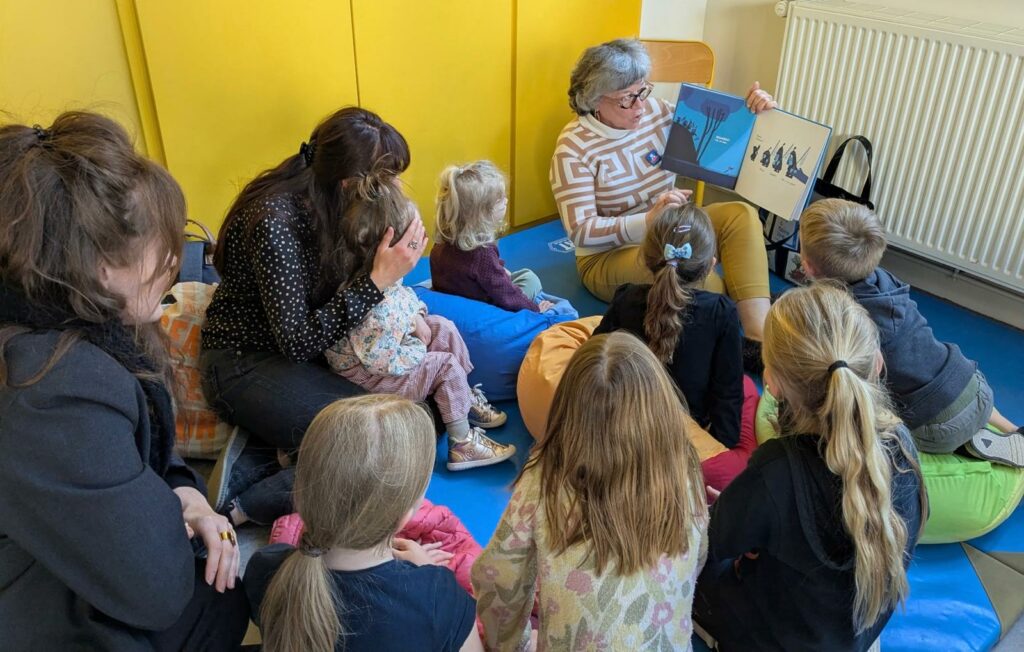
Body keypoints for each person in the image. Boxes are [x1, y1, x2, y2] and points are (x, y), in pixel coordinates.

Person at [0, 112, 248, 650]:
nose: (175, 260)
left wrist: (188, 495)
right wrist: (175, 510)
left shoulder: (66, 322)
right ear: (101, 266)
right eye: (162, 245)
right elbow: (156, 590)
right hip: (40, 616)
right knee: (219, 597)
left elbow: (148, 450)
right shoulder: (55, 389)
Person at [200, 107, 426, 526]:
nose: (395, 188)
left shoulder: (333, 203)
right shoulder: (276, 220)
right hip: (244, 362)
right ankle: (242, 501)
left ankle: (274, 450)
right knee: (377, 444)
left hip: (312, 353)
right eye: (387, 179)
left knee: (415, 420)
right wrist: (378, 281)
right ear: (349, 183)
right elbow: (297, 342)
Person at [693, 283, 926, 651]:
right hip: (855, 633)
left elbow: (711, 544)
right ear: (877, 364)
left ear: (771, 384)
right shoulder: (902, 443)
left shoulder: (775, 470)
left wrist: (739, 515)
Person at [472, 331, 707, 650]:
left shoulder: (545, 479)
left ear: (567, 410)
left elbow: (498, 577)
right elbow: (697, 557)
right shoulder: (686, 469)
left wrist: (512, 644)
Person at [550, 38, 775, 368]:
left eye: (643, 91)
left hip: (671, 229)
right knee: (700, 276)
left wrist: (754, 113)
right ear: (594, 100)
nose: (640, 106)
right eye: (627, 99)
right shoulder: (573, 149)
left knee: (740, 214)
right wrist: (647, 221)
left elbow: (719, 146)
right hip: (607, 255)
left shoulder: (657, 112)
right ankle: (733, 316)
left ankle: (759, 342)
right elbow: (581, 230)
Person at [244, 395, 482, 652]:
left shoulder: (263, 567)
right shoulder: (439, 598)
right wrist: (427, 574)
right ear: (404, 516)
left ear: (300, 495)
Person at [799, 198, 1023, 466]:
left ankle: (966, 446)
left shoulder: (841, 316)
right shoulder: (883, 279)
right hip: (974, 387)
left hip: (936, 427)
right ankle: (1010, 428)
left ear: (808, 266)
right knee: (947, 378)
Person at [324, 174, 516, 471]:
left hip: (386, 349)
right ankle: (462, 443)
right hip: (371, 379)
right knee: (445, 366)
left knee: (444, 326)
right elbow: (382, 361)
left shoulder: (375, 272)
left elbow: (402, 297)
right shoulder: (376, 312)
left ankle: (462, 397)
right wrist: (419, 344)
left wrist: (417, 319)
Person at [594, 203, 744, 447]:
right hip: (683, 437)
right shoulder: (722, 313)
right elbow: (728, 396)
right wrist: (720, 449)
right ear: (710, 266)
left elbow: (594, 361)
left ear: (646, 258)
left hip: (624, 427)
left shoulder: (626, 298)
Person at [430, 160, 554, 312]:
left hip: (457, 298)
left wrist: (498, 271)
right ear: (482, 213)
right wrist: (536, 310)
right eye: (500, 200)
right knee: (530, 279)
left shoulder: (442, 241)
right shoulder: (482, 253)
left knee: (513, 274)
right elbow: (506, 296)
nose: (506, 201)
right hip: (483, 308)